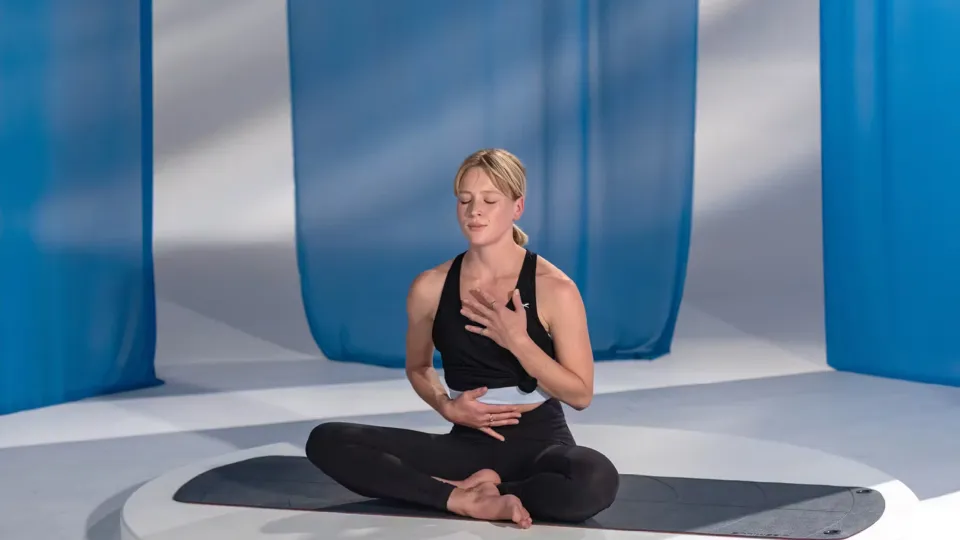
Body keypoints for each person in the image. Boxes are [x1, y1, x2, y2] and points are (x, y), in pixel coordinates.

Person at [305, 148, 620, 529]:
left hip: (539, 444)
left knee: (596, 479)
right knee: (327, 440)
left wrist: (517, 340)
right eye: (465, 200)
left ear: (517, 207)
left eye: (490, 201)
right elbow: (419, 366)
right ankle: (462, 499)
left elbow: (581, 394)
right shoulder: (430, 287)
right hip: (467, 443)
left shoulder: (555, 289)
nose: (475, 212)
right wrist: (446, 407)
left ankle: (496, 487)